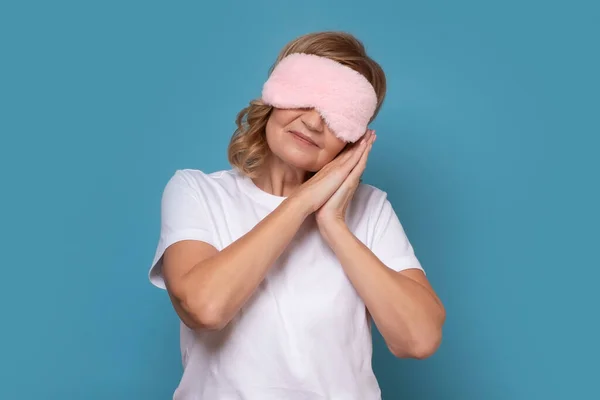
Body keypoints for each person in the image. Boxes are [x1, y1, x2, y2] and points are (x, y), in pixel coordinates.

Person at [148, 31, 445, 400]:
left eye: (338, 113)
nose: (314, 123)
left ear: (353, 139)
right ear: (274, 94)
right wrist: (303, 202)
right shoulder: (198, 192)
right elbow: (205, 307)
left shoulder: (370, 209)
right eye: (305, 97)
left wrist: (334, 225)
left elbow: (419, 339)